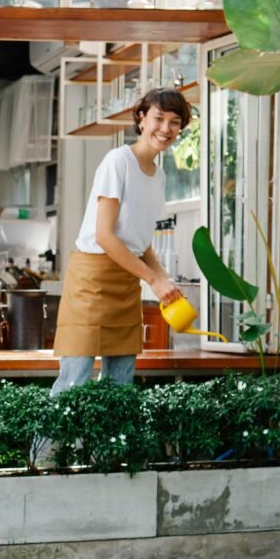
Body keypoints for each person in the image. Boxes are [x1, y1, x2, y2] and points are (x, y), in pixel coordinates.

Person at [51, 87, 191, 391]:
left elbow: (139, 240)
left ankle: (108, 441)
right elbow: (104, 235)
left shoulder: (159, 175)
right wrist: (153, 281)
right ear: (141, 118)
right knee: (74, 381)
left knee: (121, 383)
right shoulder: (119, 161)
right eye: (159, 118)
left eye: (175, 122)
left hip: (126, 282)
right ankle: (48, 443)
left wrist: (165, 280)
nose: (166, 129)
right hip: (92, 278)